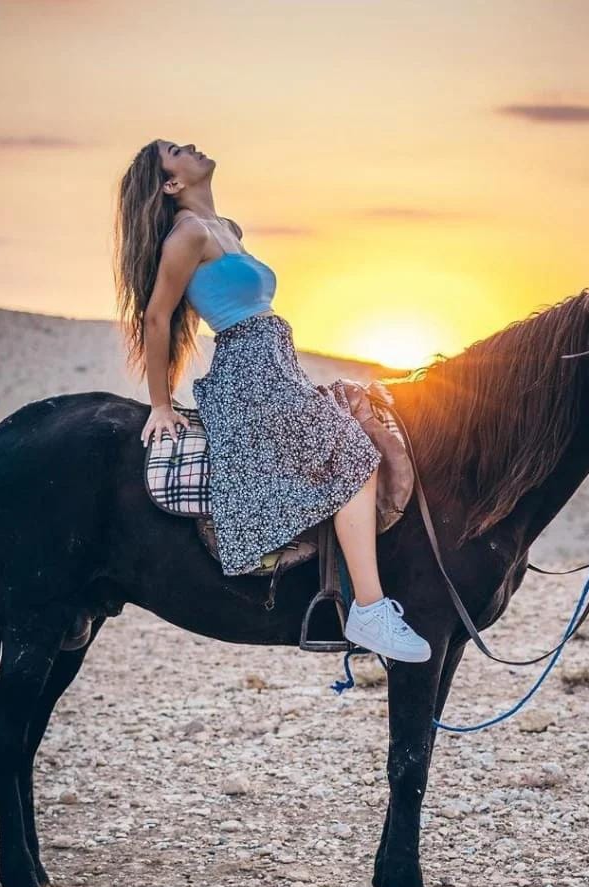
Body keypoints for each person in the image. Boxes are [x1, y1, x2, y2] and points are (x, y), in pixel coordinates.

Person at [113, 138, 431, 663]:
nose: (190, 145)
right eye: (176, 151)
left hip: (275, 362)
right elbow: (155, 317)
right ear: (172, 184)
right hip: (248, 373)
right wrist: (160, 403)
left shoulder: (227, 230)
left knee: (357, 431)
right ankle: (369, 609)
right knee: (354, 454)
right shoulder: (187, 235)